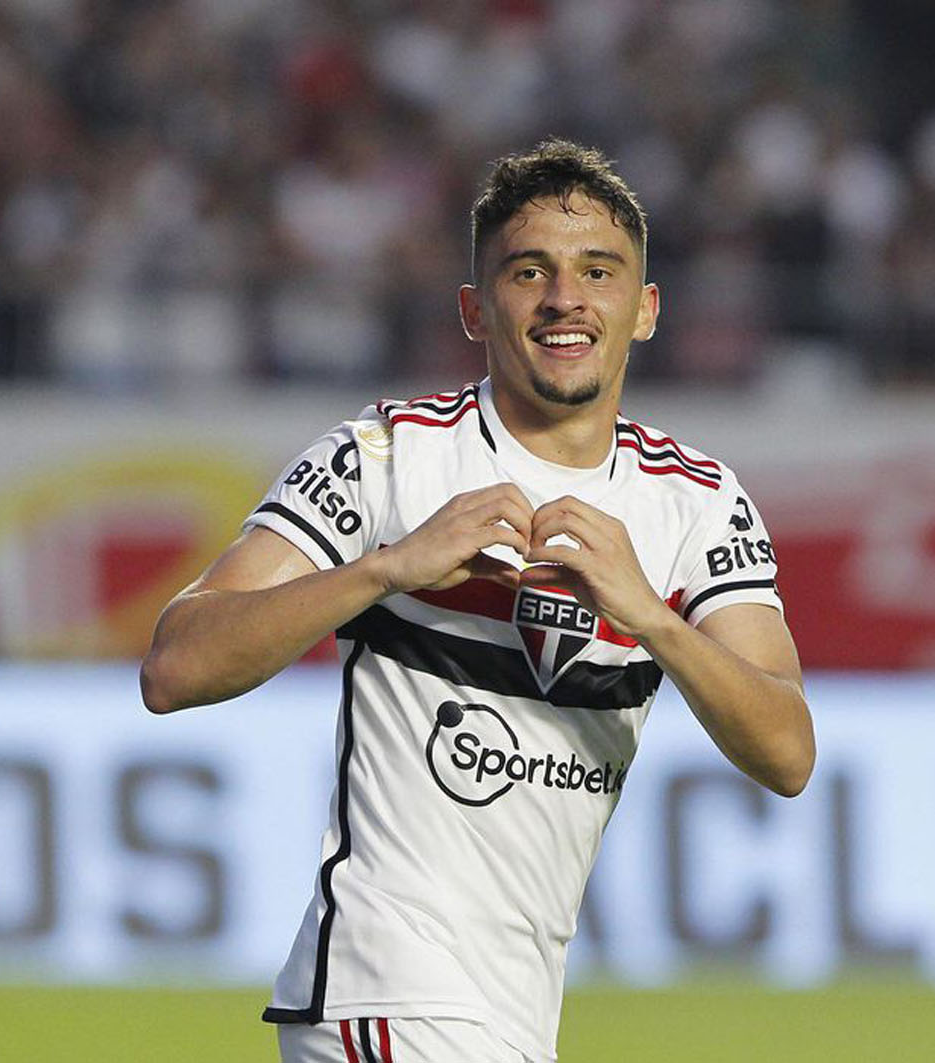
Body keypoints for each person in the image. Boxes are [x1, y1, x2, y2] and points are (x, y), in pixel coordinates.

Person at [139, 140, 815, 1063]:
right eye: (527, 270)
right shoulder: (389, 454)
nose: (563, 298)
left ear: (645, 309)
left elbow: (785, 749)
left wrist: (652, 615)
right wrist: (385, 570)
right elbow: (175, 663)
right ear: (473, 307)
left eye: (597, 272)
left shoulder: (695, 502)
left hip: (514, 1010)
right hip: (385, 992)